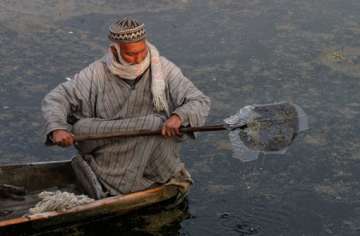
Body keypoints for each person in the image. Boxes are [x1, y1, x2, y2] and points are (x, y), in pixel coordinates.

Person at [42, 17, 211, 199]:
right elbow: (57, 98)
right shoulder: (96, 72)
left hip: (151, 143)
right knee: (79, 128)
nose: (138, 59)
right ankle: (114, 179)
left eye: (142, 51)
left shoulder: (164, 69)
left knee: (154, 123)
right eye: (131, 54)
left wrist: (178, 117)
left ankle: (114, 183)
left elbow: (199, 100)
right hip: (108, 144)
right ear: (114, 50)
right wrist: (58, 128)